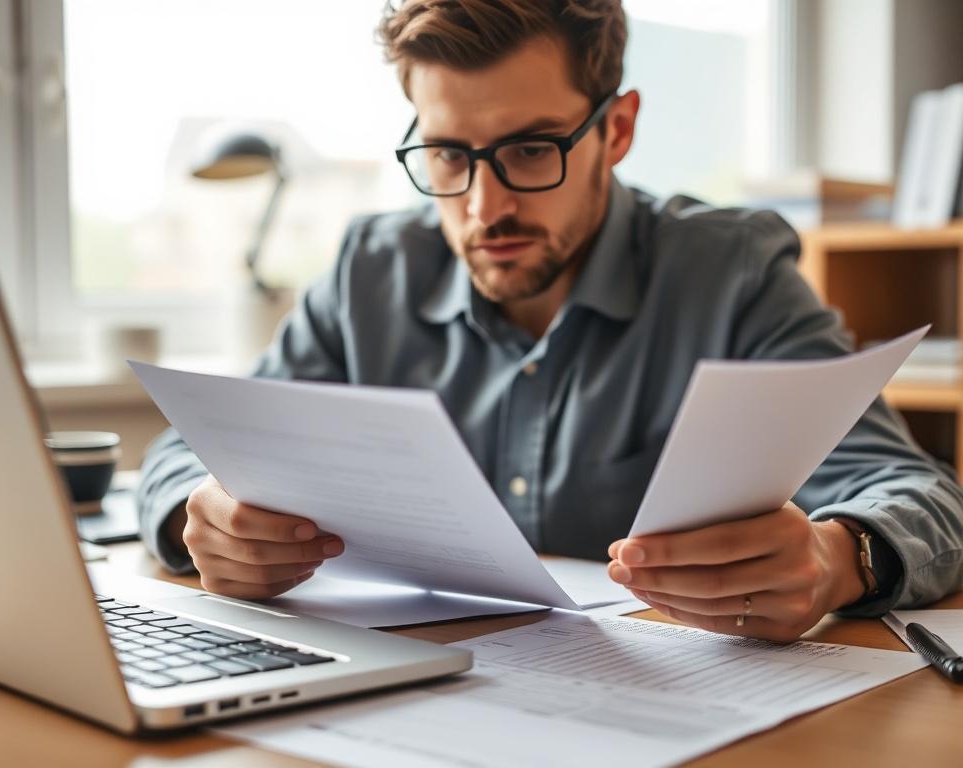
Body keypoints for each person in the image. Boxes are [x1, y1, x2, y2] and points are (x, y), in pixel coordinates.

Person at [138, 0, 963, 642]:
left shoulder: (732, 276)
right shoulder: (369, 273)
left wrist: (837, 558)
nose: (484, 206)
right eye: (449, 155)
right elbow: (192, 449)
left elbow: (926, 495)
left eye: (532, 150)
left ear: (618, 130)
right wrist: (200, 516)